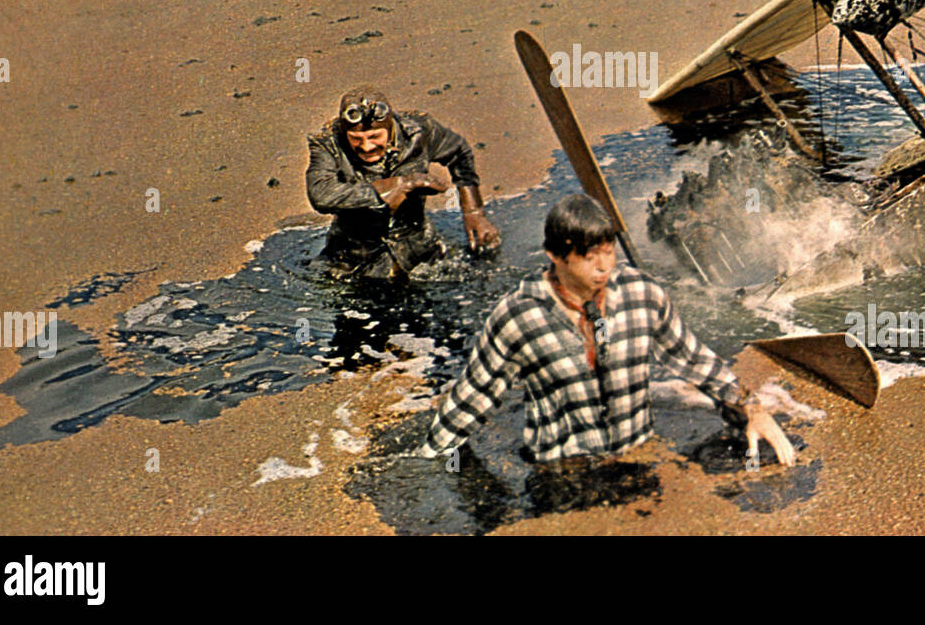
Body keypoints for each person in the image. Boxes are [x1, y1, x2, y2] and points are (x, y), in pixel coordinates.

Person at [416, 193, 795, 467]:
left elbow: (694, 360)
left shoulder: (641, 293)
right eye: (588, 256)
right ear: (555, 256)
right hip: (561, 469)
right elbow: (473, 398)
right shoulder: (519, 316)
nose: (603, 268)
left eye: (608, 251)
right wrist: (426, 467)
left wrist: (752, 408)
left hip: (635, 459)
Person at [305, 85, 500, 287]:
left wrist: (474, 212)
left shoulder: (419, 132)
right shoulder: (328, 143)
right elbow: (320, 194)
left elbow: (459, 152)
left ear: (390, 130)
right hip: (353, 260)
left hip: (419, 252)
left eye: (374, 137)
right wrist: (393, 187)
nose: (366, 147)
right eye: (356, 139)